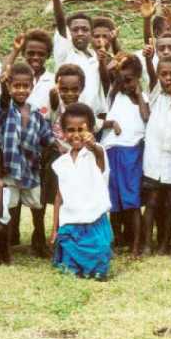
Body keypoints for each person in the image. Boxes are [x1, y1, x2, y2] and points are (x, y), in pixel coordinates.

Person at [0, 62, 57, 256]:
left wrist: (59, 146)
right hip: (10, 168)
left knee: (37, 206)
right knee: (10, 207)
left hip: (31, 168)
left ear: (32, 86)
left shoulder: (36, 113)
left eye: (25, 86)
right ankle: (5, 246)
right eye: (16, 86)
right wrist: (3, 87)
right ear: (9, 87)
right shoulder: (5, 109)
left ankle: (39, 241)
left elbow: (47, 136)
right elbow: (3, 101)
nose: (21, 90)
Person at [51, 103, 113, 280]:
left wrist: (93, 146)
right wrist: (55, 229)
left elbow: (100, 161)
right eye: (71, 130)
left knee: (98, 267)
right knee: (70, 269)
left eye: (81, 129)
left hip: (93, 219)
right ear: (63, 132)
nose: (76, 134)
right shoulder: (61, 163)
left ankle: (96, 268)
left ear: (91, 130)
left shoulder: (97, 152)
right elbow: (59, 197)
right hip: (70, 222)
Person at [101, 53, 149, 256]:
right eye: (121, 80)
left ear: (138, 78)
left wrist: (139, 94)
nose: (125, 84)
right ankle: (117, 239)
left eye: (129, 80)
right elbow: (108, 73)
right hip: (111, 150)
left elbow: (146, 117)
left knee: (131, 199)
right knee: (113, 200)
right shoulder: (114, 95)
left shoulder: (143, 99)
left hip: (131, 152)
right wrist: (114, 67)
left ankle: (136, 244)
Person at [142, 53, 171, 255]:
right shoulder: (155, 92)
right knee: (151, 201)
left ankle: (165, 243)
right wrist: (149, 59)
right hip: (154, 156)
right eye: (164, 74)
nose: (168, 78)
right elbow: (151, 74)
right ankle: (147, 244)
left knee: (169, 203)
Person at [48, 0, 107, 116]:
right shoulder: (66, 52)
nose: (80, 33)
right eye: (75, 30)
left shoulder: (95, 57)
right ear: (69, 33)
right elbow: (61, 22)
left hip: (92, 118)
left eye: (85, 29)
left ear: (91, 33)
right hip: (69, 117)